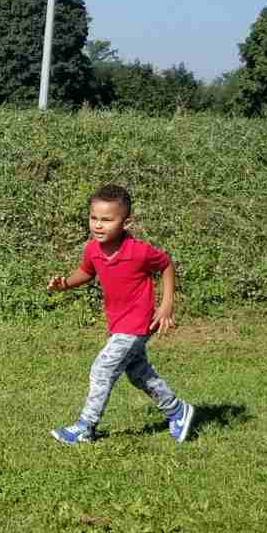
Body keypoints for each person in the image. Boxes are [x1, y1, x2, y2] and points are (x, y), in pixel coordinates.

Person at [45, 183, 195, 445]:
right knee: (139, 373)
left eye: (107, 220)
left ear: (126, 222)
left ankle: (85, 427)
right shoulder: (92, 249)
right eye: (94, 218)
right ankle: (176, 410)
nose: (98, 225)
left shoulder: (139, 252)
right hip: (117, 323)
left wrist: (166, 305)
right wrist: (65, 284)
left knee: (102, 369)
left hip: (137, 322)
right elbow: (87, 272)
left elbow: (166, 264)